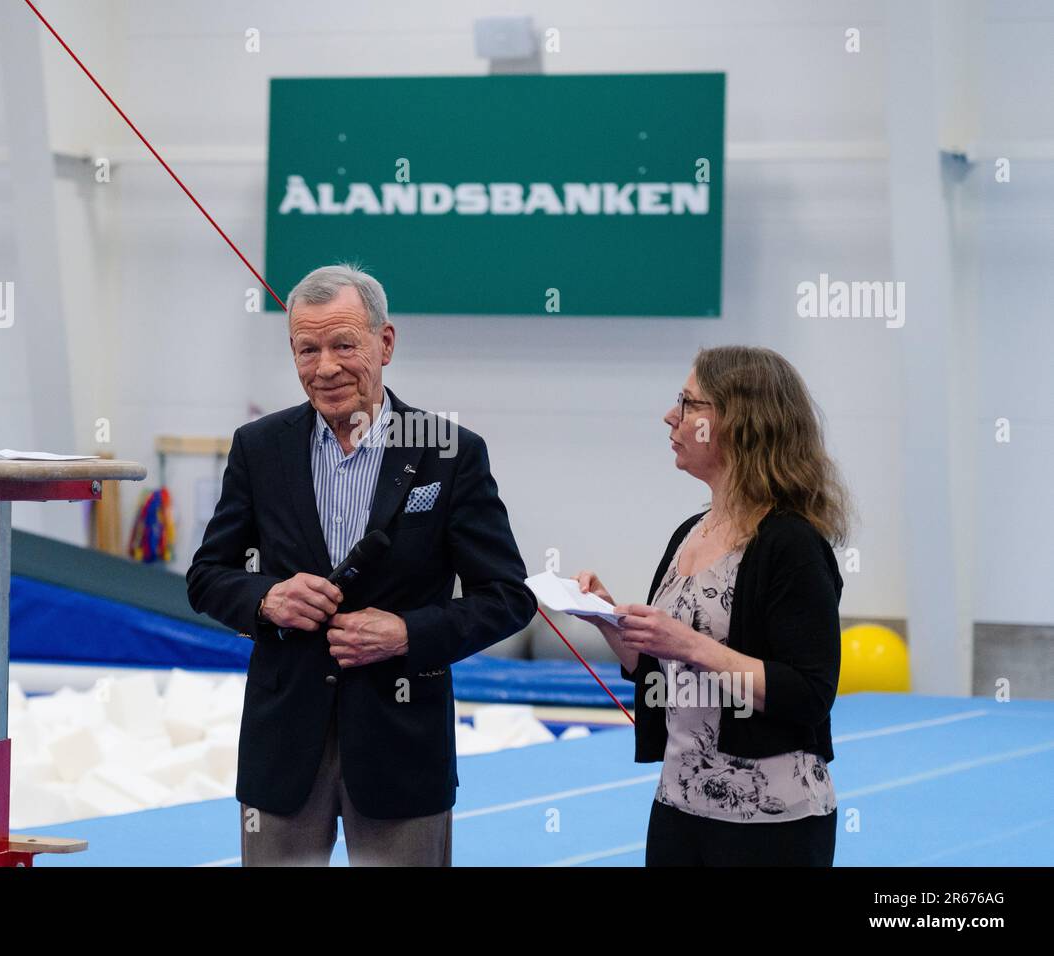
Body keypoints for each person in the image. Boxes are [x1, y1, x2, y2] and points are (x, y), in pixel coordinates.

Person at [186, 263, 536, 866]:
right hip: (283, 741)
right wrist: (266, 599)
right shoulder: (259, 447)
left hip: (403, 742)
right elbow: (207, 575)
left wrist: (407, 634)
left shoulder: (450, 453)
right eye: (307, 348)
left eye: (345, 344)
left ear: (386, 343)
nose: (325, 367)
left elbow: (507, 596)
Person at [573, 345, 852, 866]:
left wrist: (691, 645)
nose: (669, 415)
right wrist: (609, 619)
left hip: (768, 818)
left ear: (741, 423)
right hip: (680, 803)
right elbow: (658, 669)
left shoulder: (790, 543)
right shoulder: (690, 532)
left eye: (689, 403)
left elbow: (810, 693)